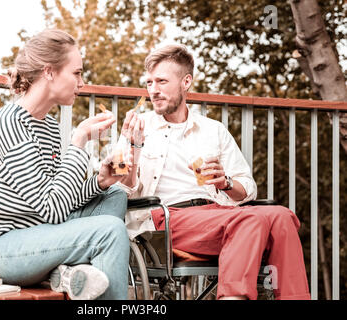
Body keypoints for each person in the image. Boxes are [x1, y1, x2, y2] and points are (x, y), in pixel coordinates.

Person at [0, 29, 133, 300]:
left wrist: (99, 181)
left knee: (114, 196)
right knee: (110, 231)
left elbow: (58, 197)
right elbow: (53, 210)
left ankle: (67, 274)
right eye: (77, 73)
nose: (81, 82)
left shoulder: (48, 127)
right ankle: (72, 276)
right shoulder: (10, 124)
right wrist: (79, 141)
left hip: (30, 233)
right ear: (49, 72)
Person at [119, 44, 311, 300]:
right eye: (149, 82)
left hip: (218, 215)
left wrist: (225, 182)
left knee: (281, 216)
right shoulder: (138, 127)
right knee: (248, 219)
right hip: (166, 220)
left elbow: (246, 187)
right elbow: (121, 189)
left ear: (185, 82)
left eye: (162, 81)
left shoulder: (213, 130)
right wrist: (133, 148)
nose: (154, 90)